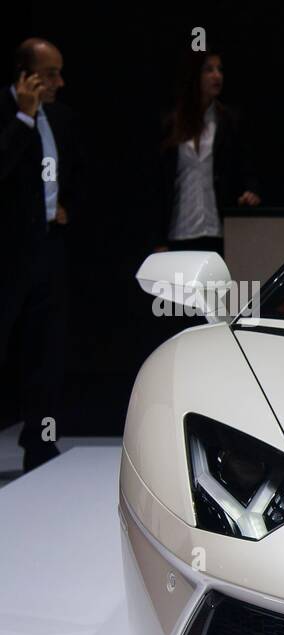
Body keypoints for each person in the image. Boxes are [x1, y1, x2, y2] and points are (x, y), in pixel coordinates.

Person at [0, 38, 81, 471]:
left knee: (45, 353)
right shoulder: (8, 114)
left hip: (48, 247)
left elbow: (74, 174)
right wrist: (22, 118)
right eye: (50, 74)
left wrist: (64, 206)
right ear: (25, 76)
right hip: (6, 252)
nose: (59, 82)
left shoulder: (62, 119)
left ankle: (41, 443)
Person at [155, 51, 260, 255]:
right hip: (179, 232)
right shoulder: (172, 123)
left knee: (215, 286)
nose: (217, 76)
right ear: (195, 76)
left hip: (216, 232)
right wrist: (158, 239)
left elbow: (246, 169)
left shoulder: (229, 121)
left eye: (220, 70)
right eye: (209, 70)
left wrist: (250, 191)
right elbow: (159, 185)